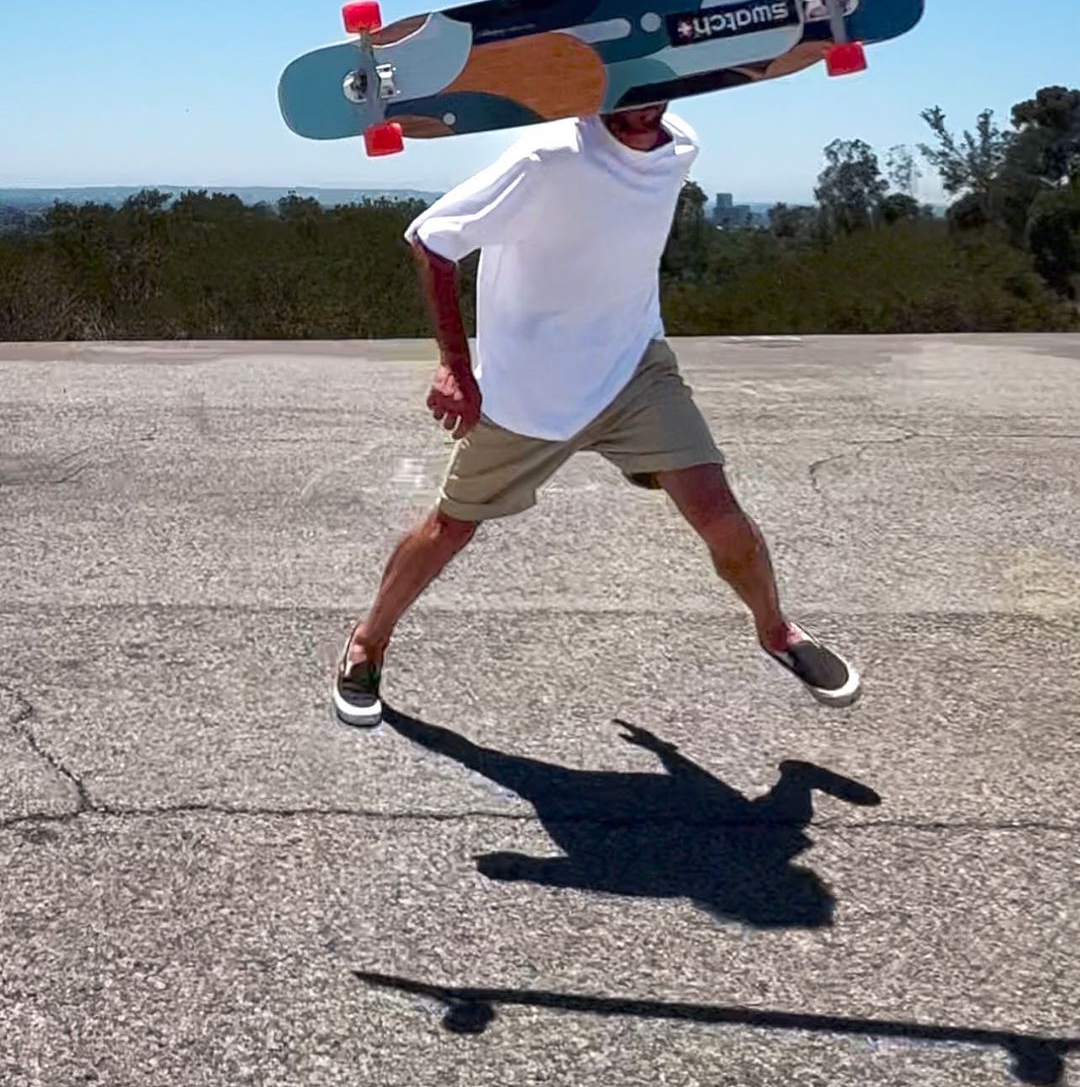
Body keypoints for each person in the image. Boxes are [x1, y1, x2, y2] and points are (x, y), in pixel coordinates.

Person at [334, 101, 860, 728]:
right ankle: (368, 641)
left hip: (634, 371)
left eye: (657, 88)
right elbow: (431, 240)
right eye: (627, 90)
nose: (644, 107)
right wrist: (454, 363)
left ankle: (776, 631)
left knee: (720, 514)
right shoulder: (548, 159)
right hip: (530, 391)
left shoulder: (680, 146)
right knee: (451, 527)